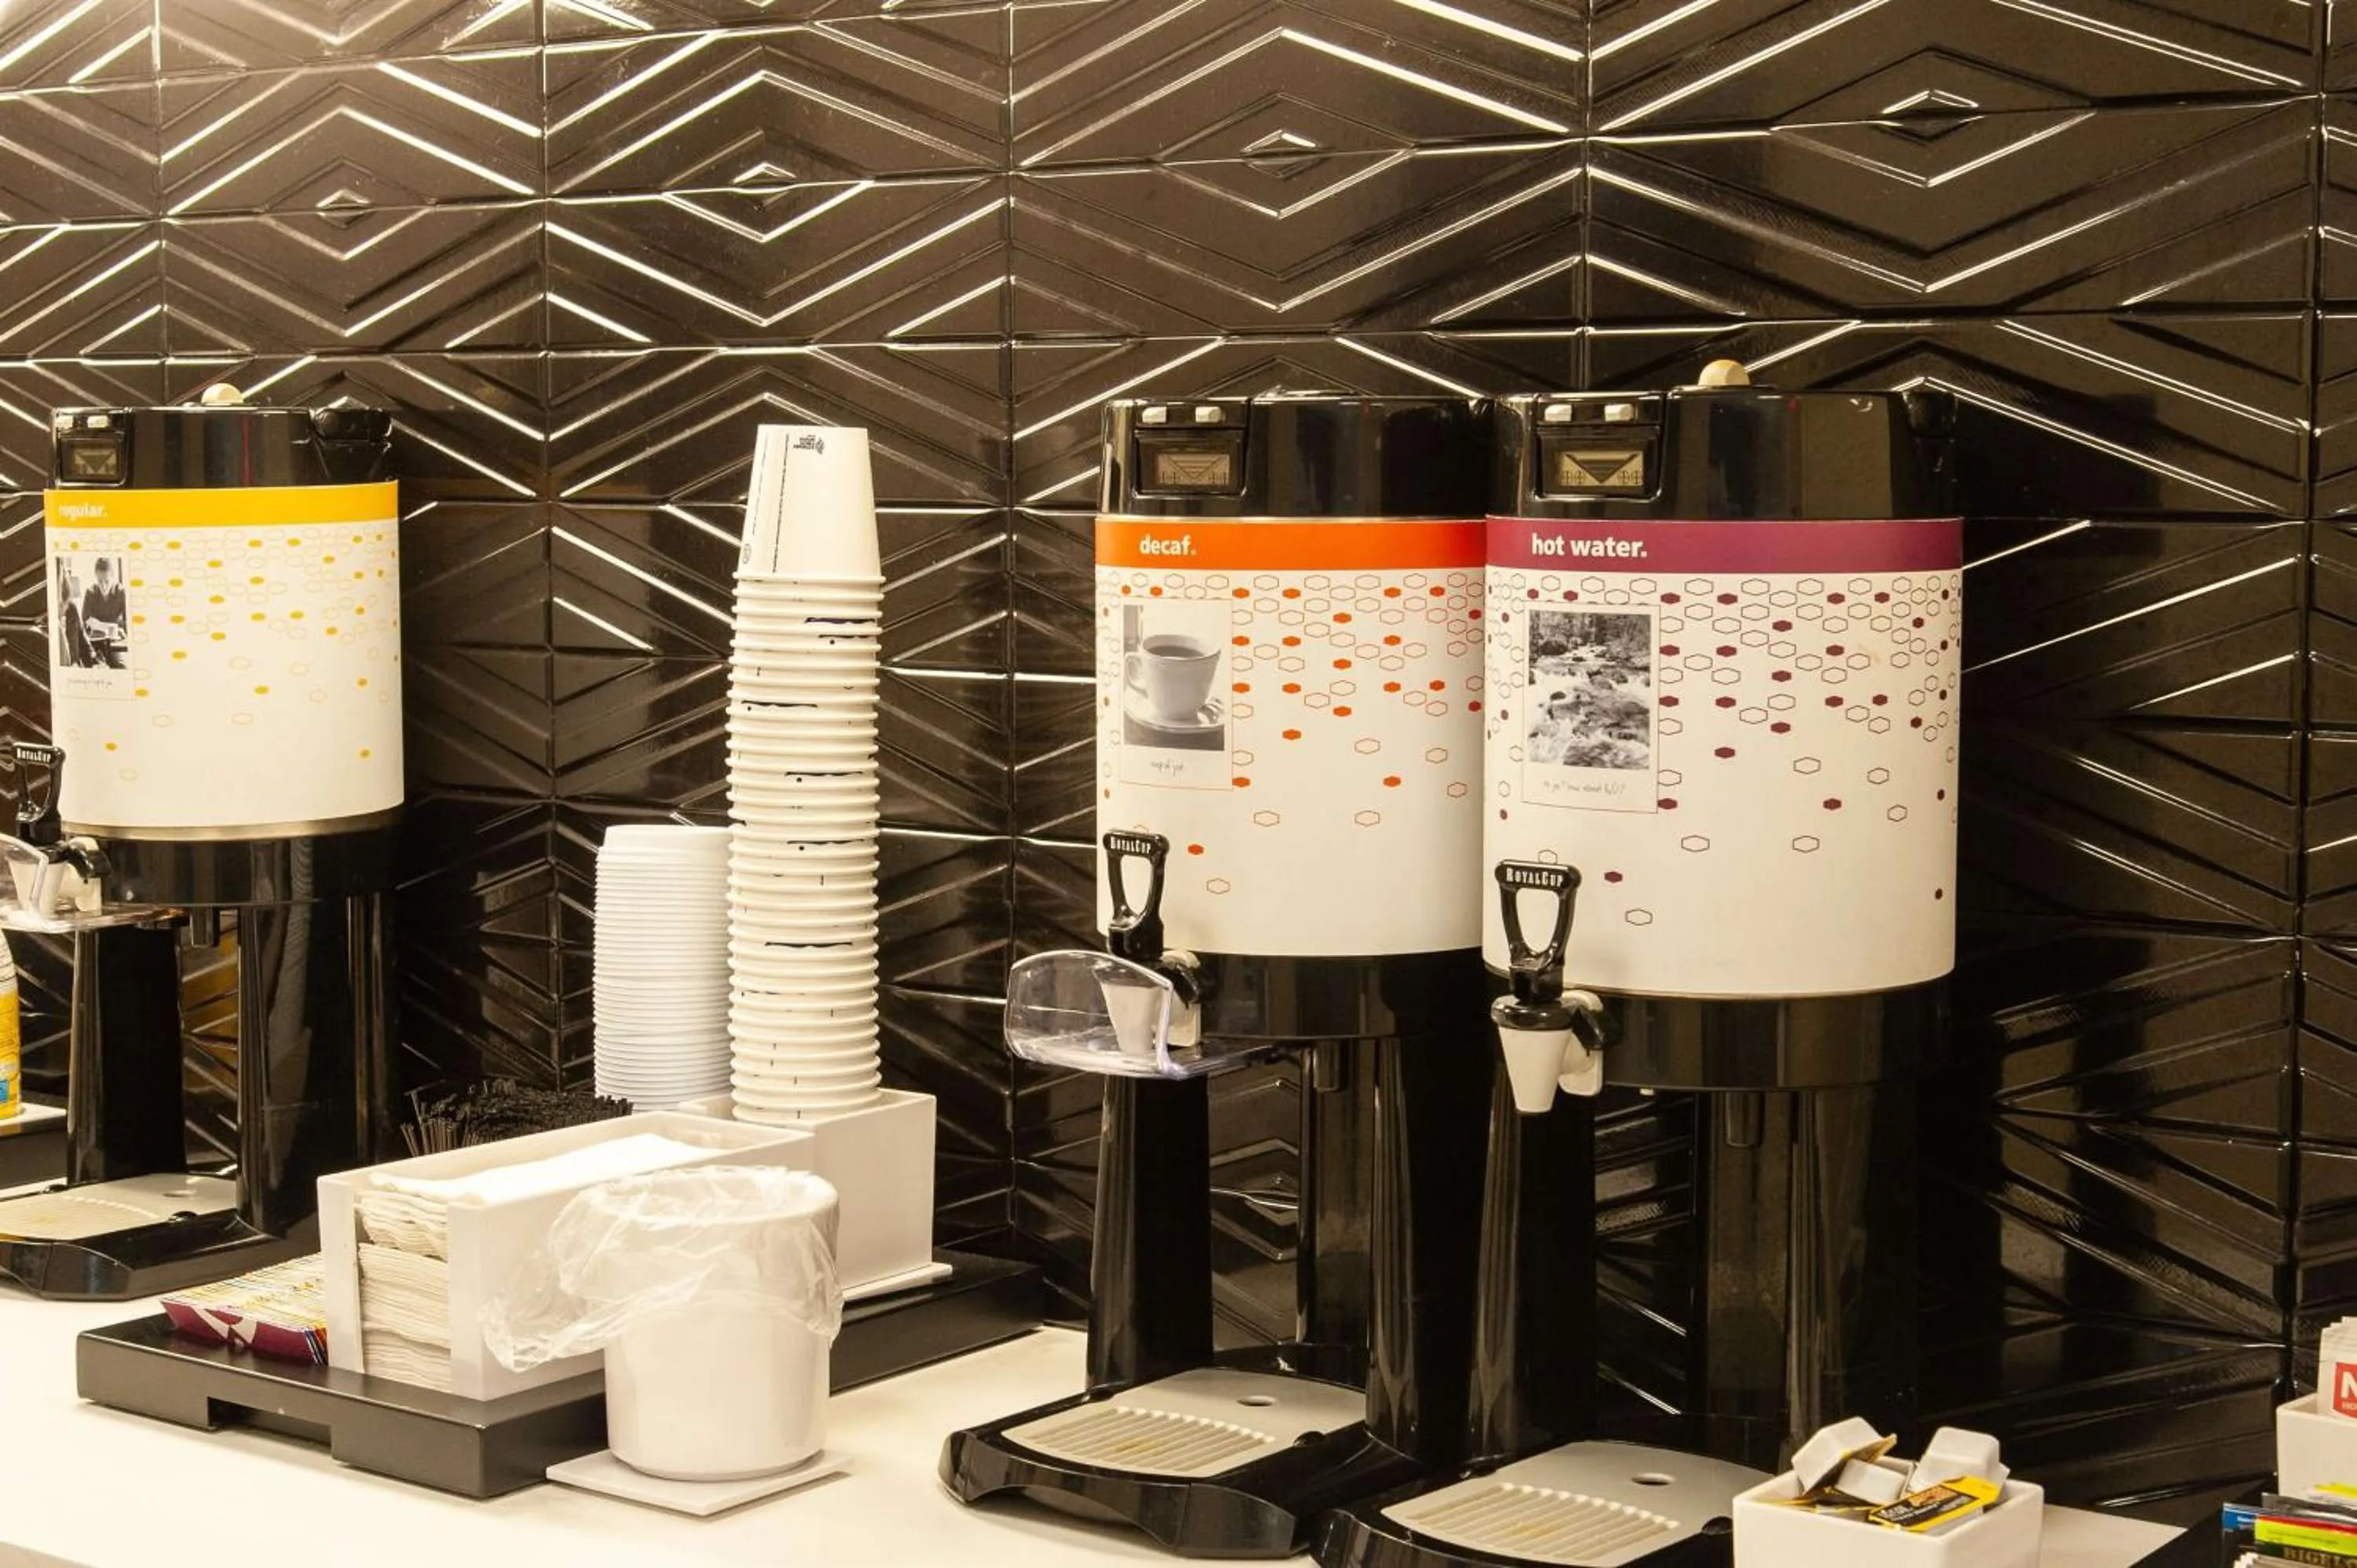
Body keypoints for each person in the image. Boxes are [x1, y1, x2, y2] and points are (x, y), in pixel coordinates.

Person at [79, 559, 125, 669]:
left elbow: (129, 620)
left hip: (115, 641)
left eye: (107, 581)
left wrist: (122, 629)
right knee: (94, 667)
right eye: (100, 581)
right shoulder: (90, 592)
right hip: (95, 641)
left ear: (113, 577)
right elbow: (85, 619)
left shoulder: (121, 592)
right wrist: (109, 627)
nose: (104, 586)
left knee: (120, 667)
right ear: (95, 576)